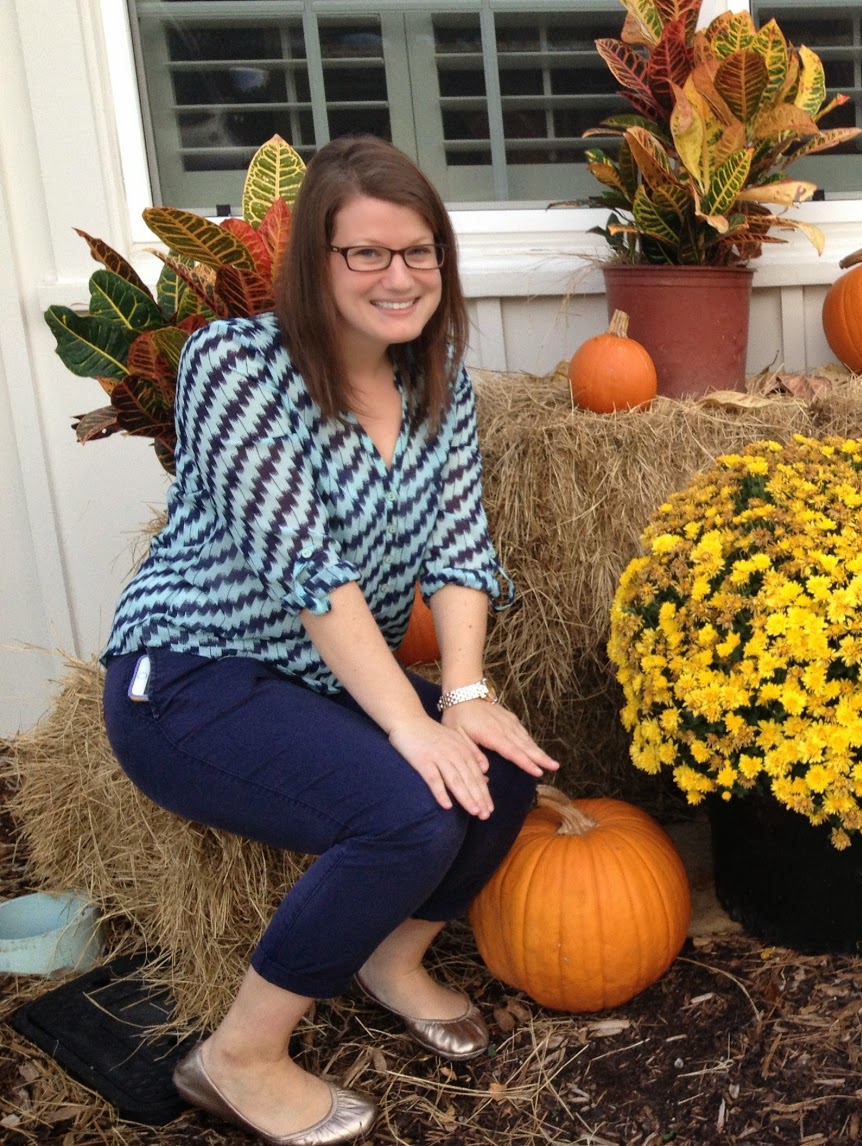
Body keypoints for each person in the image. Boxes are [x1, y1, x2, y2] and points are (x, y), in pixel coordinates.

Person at [101, 135, 558, 1146]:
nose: (399, 277)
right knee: (408, 815)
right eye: (367, 253)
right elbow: (308, 570)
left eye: (419, 252)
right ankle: (238, 1057)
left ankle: (391, 958)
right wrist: (410, 723)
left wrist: (465, 697)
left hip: (321, 677)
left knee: (498, 772)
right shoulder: (236, 366)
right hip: (189, 676)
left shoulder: (438, 381)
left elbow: (459, 547)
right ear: (317, 261)